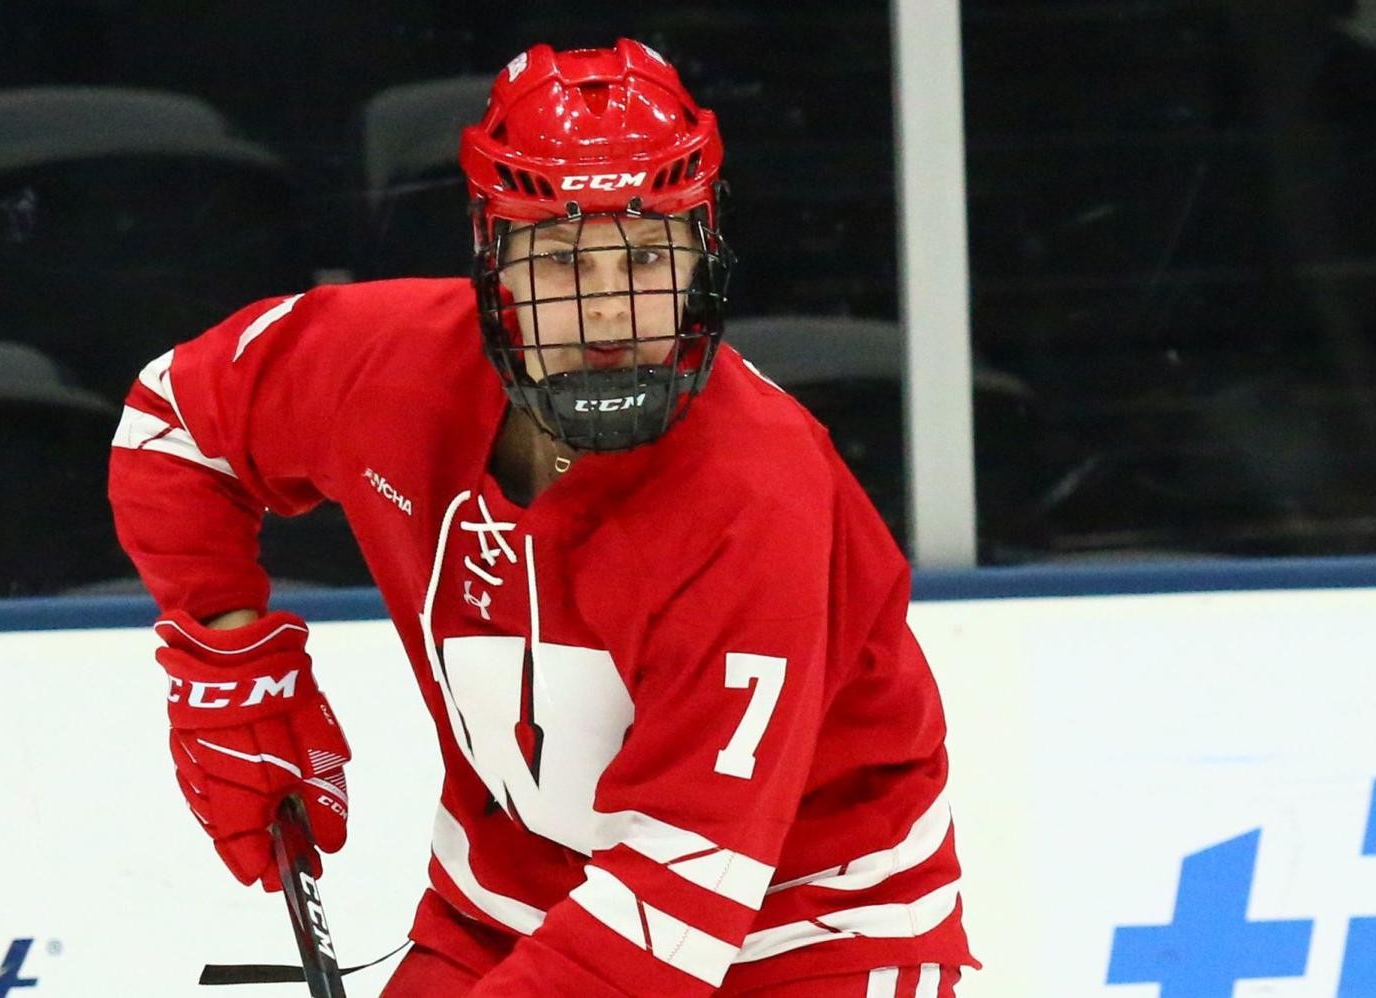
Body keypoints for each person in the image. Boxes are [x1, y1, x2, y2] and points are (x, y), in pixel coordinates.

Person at [110, 38, 977, 997]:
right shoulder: (387, 367)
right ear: (496, 259)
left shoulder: (758, 495)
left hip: (812, 934)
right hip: (509, 905)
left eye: (649, 252)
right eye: (563, 256)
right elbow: (176, 424)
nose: (610, 310)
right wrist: (230, 661)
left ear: (704, 254)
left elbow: (674, 905)